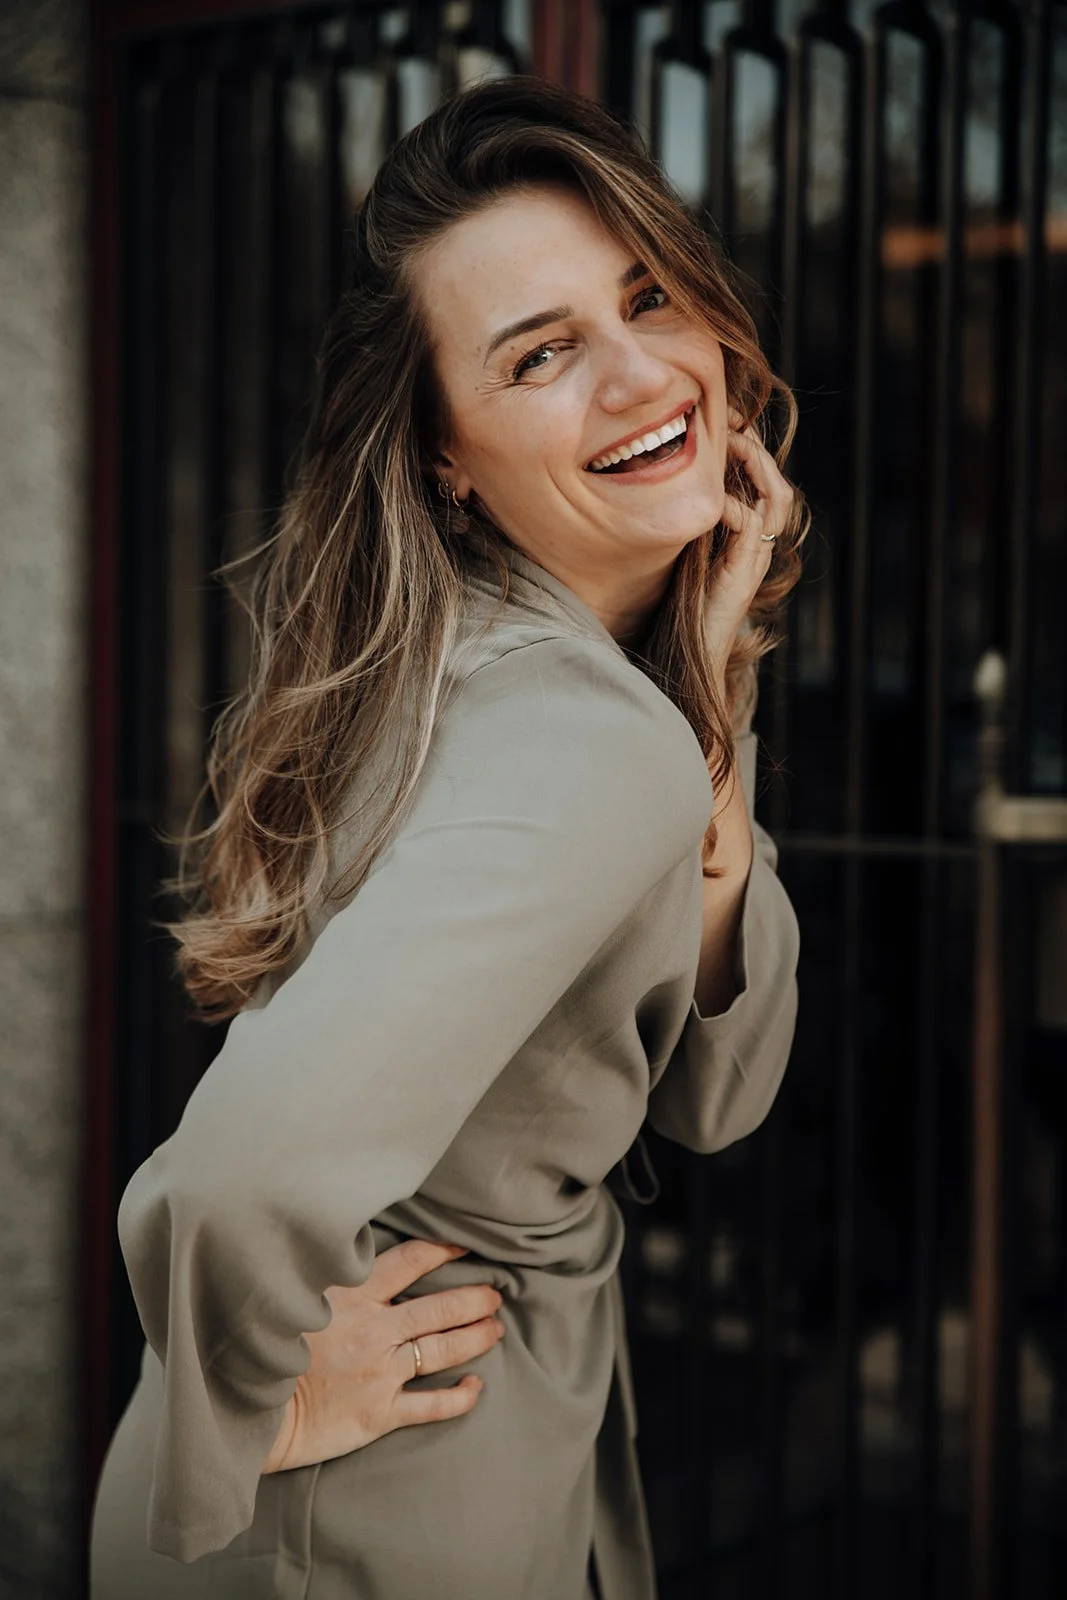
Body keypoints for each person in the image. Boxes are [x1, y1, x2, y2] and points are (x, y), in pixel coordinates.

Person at [90, 74, 806, 1600]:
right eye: (541, 355)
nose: (639, 376)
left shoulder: (496, 666)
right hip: (392, 1494)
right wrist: (262, 1388)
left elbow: (710, 1094)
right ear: (440, 455)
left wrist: (709, 698)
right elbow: (231, 1177)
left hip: (332, 1480)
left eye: (647, 298)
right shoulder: (585, 739)